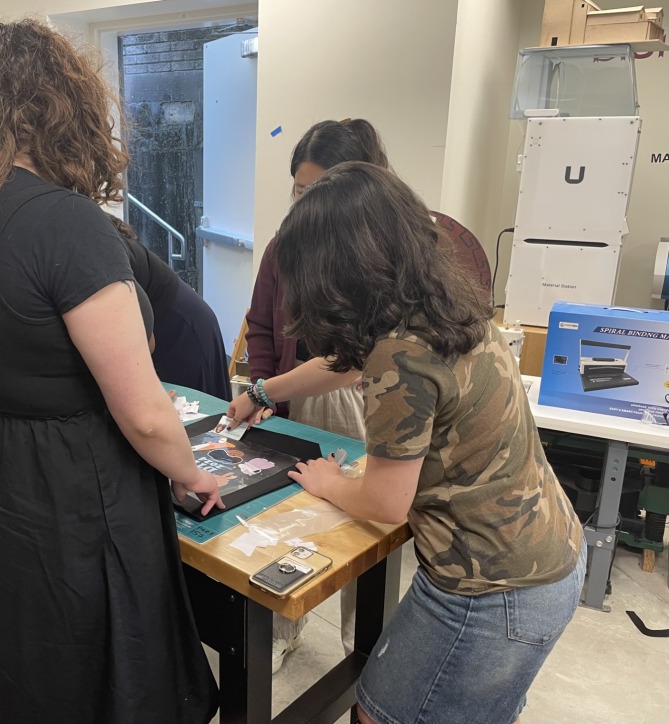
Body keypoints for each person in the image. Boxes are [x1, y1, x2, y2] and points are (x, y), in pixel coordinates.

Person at [0, 20, 220, 723]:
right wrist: (190, 473)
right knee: (90, 651)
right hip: (72, 481)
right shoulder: (66, 225)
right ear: (63, 107)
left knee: (15, 643)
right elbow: (143, 412)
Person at [230, 161, 585, 724]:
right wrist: (265, 390)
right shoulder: (444, 303)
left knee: (378, 714)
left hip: (492, 587)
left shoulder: (400, 352)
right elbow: (346, 367)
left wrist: (332, 482)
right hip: (548, 554)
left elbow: (384, 503)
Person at [247, 118, 389, 672]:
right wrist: (264, 393)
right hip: (291, 399)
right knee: (289, 514)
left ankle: (365, 640)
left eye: (318, 191)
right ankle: (285, 625)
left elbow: (349, 366)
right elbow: (262, 325)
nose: (307, 203)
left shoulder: (373, 256)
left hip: (357, 405)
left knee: (361, 522)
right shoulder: (284, 247)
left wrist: (266, 387)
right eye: (299, 191)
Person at [120, 232, 230, 399]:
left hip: (181, 326)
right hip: (162, 322)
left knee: (193, 410)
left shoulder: (101, 249)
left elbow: (145, 340)